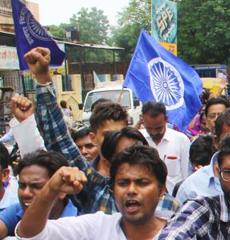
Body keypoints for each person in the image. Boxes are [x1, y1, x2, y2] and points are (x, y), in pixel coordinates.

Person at [25, 47, 178, 217]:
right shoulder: (93, 186)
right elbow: (58, 139)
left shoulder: (169, 207)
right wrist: (43, 78)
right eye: (123, 182)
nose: (131, 191)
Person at [17, 145, 168, 240]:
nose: (131, 190)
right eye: (123, 183)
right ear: (112, 190)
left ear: (161, 190)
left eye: (142, 183)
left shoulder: (181, 235)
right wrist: (51, 188)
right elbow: (30, 234)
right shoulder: (98, 226)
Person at [0, 151, 77, 239]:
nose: (26, 193)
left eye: (36, 186)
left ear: (62, 191)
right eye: (22, 185)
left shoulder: (77, 224)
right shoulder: (17, 210)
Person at [140, 101, 191, 193]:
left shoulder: (181, 140)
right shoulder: (138, 139)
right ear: (143, 120)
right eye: (149, 128)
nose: (154, 132)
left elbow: (186, 175)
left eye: (158, 128)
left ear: (166, 119)